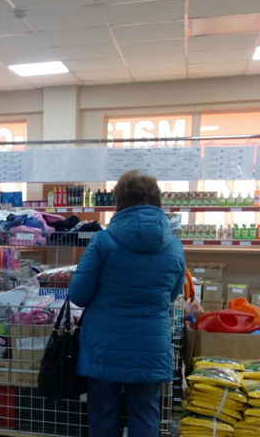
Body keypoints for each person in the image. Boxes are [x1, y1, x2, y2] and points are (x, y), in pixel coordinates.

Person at [69, 170, 185, 437]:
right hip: (151, 345)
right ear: (157, 200)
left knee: (103, 415)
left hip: (104, 345)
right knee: (145, 414)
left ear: (119, 201)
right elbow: (171, 296)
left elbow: (79, 295)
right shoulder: (174, 247)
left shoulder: (103, 242)